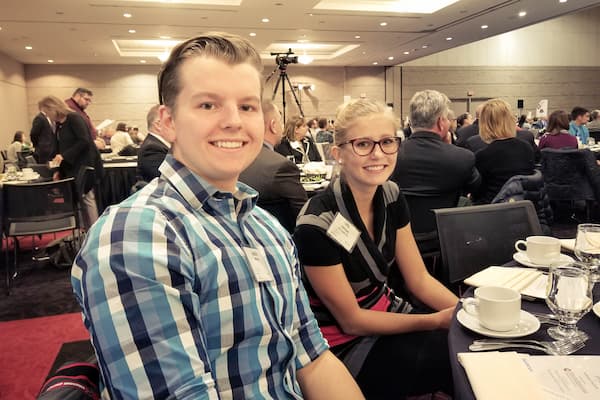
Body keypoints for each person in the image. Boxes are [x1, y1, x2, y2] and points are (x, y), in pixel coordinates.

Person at [71, 32, 363, 399]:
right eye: (208, 105)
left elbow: (313, 358)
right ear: (168, 121)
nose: (233, 122)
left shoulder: (265, 228)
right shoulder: (138, 234)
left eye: (247, 106)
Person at [294, 98, 458, 399]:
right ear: (338, 153)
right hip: (342, 344)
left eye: (386, 142)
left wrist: (462, 314)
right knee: (454, 362)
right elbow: (351, 320)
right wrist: (435, 320)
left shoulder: (391, 195)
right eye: (363, 144)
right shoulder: (315, 224)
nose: (378, 154)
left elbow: (419, 279)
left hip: (388, 313)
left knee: (467, 345)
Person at [239, 100, 308, 233]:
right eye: (281, 122)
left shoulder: (232, 159)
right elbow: (305, 214)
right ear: (273, 126)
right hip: (282, 240)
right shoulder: (282, 167)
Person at [41, 95, 104, 229]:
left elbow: (84, 141)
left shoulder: (74, 118)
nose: (47, 116)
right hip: (71, 167)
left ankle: (94, 230)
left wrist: (64, 156)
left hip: (84, 166)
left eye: (47, 113)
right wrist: (58, 169)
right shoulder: (59, 124)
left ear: (53, 109)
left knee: (87, 199)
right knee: (81, 201)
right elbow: (58, 147)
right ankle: (84, 230)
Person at [472, 98, 535, 204]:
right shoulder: (527, 148)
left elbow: (477, 192)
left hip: (493, 211)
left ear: (484, 124)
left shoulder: (483, 155)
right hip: (523, 208)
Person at [136, 104, 170, 182]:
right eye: (171, 120)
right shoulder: (152, 149)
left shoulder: (156, 144)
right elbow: (168, 181)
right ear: (158, 125)